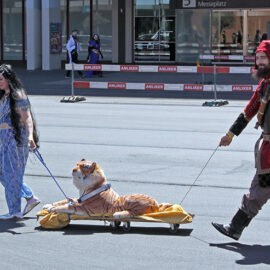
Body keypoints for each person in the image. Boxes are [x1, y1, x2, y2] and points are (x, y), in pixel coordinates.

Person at [212, 40, 270, 240]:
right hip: (268, 151)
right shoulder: (264, 85)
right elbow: (249, 111)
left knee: (259, 191)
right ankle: (235, 228)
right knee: (259, 190)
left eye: (263, 58)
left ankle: (235, 228)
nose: (259, 62)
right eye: (258, 58)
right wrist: (230, 134)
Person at [0, 64, 40, 220]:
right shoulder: (3, 96)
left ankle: (15, 211)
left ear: (9, 79)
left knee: (11, 173)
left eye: (1, 79)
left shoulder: (19, 95)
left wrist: (31, 137)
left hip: (16, 140)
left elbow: (27, 118)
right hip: (3, 140)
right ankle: (29, 196)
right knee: (4, 173)